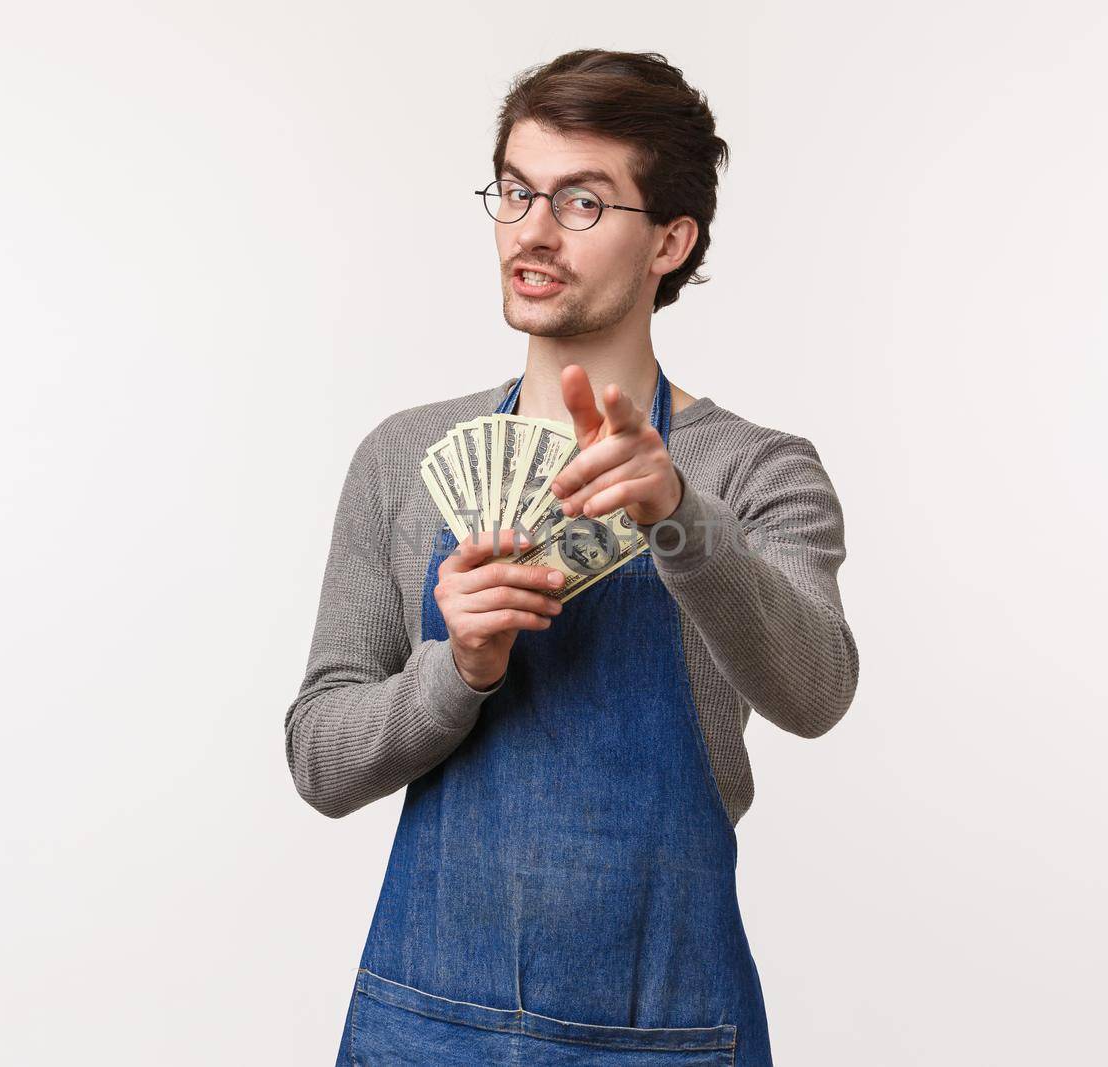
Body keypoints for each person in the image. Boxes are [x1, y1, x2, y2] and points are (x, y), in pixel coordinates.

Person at [286, 48, 860, 1065]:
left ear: (670, 242)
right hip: (425, 1026)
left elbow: (815, 690)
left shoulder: (760, 471)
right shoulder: (405, 459)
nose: (533, 231)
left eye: (583, 202)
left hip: (667, 1030)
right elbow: (320, 762)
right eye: (515, 192)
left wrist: (680, 514)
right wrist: (452, 670)